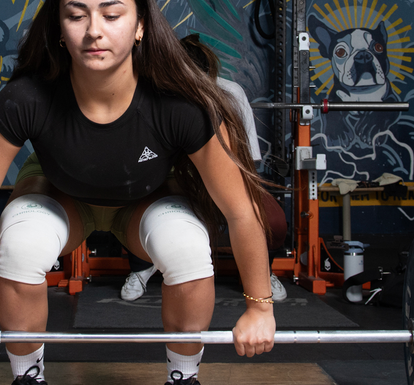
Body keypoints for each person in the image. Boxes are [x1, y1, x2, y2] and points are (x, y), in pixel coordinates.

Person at [0, 0, 277, 385]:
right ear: (59, 27)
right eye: (77, 15)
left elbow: (241, 213)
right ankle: (27, 382)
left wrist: (260, 307)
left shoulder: (181, 105)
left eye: (112, 14)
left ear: (139, 26)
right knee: (21, 246)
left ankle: (184, 383)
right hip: (61, 195)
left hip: (145, 202)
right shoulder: (27, 100)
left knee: (186, 247)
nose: (95, 30)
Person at [122, 34, 290, 303]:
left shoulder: (230, 93)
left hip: (223, 178)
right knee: (137, 206)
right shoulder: (159, 97)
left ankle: (262, 272)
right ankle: (142, 267)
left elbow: (250, 159)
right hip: (175, 180)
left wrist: (242, 195)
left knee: (273, 221)